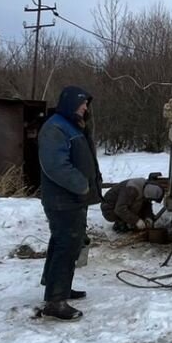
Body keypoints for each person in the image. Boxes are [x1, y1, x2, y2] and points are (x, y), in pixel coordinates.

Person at [37, 85, 102, 321]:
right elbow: (56, 166)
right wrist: (81, 184)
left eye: (86, 104)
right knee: (67, 246)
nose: (85, 108)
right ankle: (55, 301)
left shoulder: (70, 125)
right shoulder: (55, 128)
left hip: (72, 199)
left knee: (63, 243)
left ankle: (57, 288)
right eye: (82, 103)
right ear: (70, 103)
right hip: (63, 199)